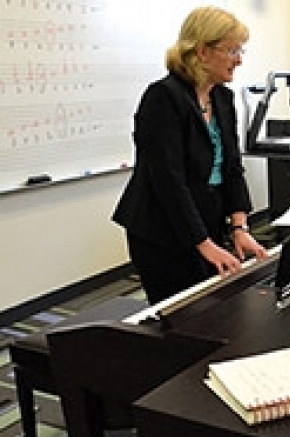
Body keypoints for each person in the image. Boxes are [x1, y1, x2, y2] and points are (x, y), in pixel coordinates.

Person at [112, 6, 268, 305]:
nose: (239, 59)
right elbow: (168, 183)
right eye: (232, 50)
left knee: (218, 308)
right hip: (161, 229)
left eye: (241, 49)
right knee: (182, 316)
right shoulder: (163, 98)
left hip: (204, 217)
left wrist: (239, 226)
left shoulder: (222, 97)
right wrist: (203, 243)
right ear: (202, 51)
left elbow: (233, 168)